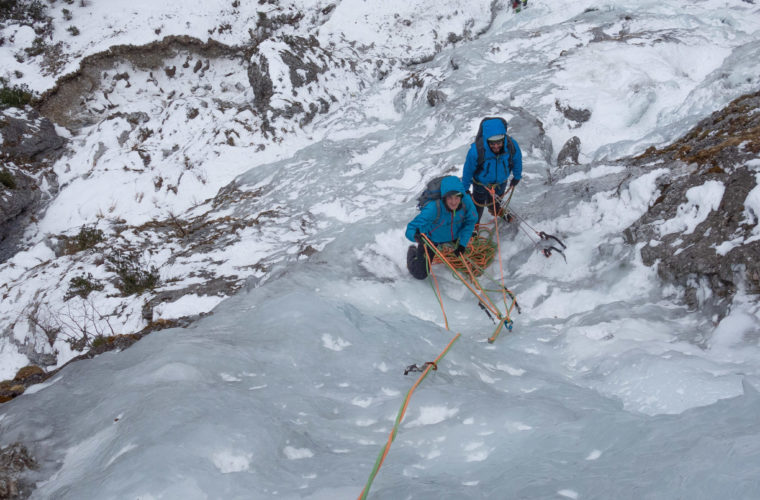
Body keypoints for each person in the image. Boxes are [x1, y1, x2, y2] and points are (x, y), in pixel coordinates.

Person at [405, 176, 477, 280]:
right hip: (431, 239)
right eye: (450, 198)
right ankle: (412, 252)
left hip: (455, 236)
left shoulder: (467, 202)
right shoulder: (433, 208)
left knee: (472, 264)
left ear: (461, 197)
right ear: (444, 197)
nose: (453, 202)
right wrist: (415, 236)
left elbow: (471, 221)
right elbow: (411, 228)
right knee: (420, 273)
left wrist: (462, 244)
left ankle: (449, 243)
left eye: (457, 198)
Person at [461, 118, 522, 224]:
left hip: (501, 182)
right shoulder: (476, 151)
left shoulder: (511, 146)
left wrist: (517, 176)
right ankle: (474, 225)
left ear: (503, 139)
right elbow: (468, 170)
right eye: (492, 143)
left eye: (499, 143)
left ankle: (496, 210)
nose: (496, 146)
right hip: (481, 183)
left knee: (496, 200)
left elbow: (517, 161)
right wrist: (465, 188)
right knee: (478, 205)